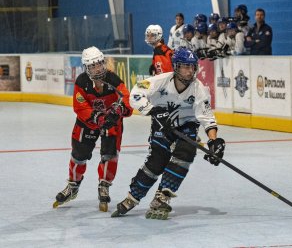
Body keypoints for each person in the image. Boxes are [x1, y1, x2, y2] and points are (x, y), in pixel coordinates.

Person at [111, 47, 226, 220]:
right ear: (176, 67)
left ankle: (162, 196)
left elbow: (206, 117)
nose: (190, 71)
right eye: (185, 67)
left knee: (186, 153)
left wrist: (214, 141)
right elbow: (135, 93)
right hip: (162, 125)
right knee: (157, 162)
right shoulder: (160, 81)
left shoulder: (199, 89)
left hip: (187, 125)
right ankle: (133, 196)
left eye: (192, 67)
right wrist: (153, 111)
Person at [53, 46, 133, 212]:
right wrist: (97, 117)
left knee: (110, 155)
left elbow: (126, 100)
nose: (97, 69)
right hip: (88, 123)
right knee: (78, 155)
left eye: (99, 64)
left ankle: (104, 185)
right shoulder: (82, 82)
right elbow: (80, 106)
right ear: (86, 67)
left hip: (111, 122)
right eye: (92, 66)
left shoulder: (114, 80)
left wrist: (118, 111)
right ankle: (73, 185)